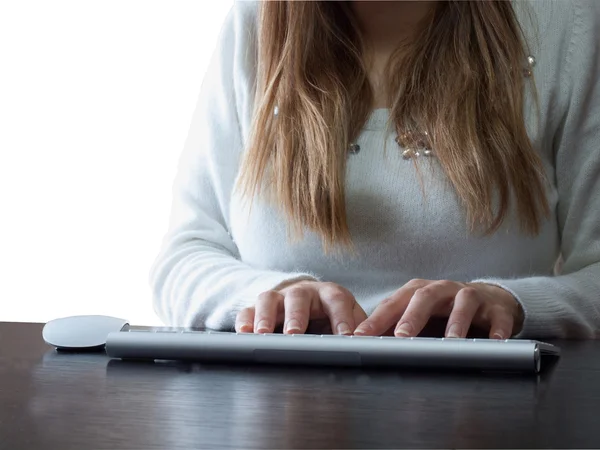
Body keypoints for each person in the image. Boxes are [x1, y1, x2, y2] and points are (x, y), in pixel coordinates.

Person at [150, 0, 600, 340]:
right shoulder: (256, 22)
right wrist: (267, 300)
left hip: (485, 419)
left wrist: (518, 306)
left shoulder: (567, 22)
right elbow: (183, 258)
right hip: (273, 412)